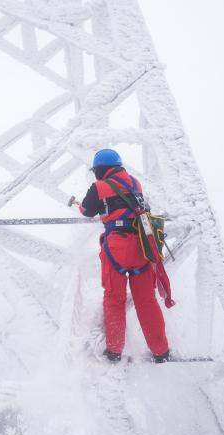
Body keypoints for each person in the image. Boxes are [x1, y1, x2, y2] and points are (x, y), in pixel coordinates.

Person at [76, 149, 170, 363]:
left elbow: (87, 210)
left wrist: (79, 206)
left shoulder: (98, 187)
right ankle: (161, 351)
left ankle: (115, 351)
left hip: (116, 247)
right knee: (147, 301)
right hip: (142, 246)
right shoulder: (135, 183)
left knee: (114, 299)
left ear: (100, 170)